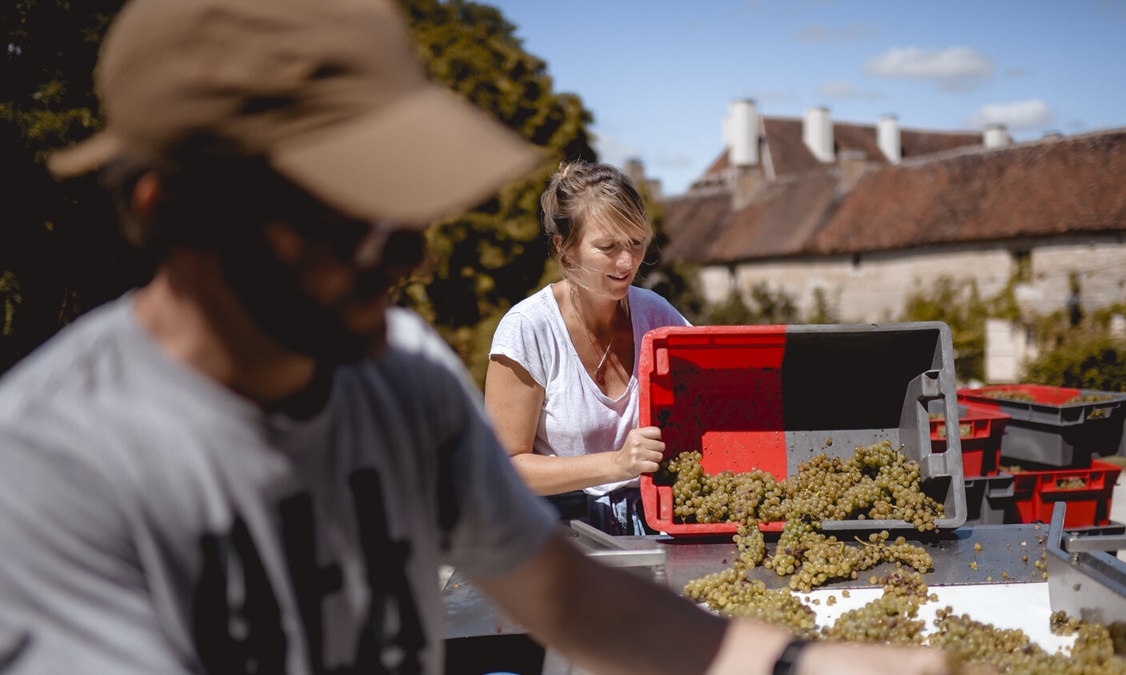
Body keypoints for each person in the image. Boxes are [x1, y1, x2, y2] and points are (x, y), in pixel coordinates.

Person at [0, 0, 954, 673]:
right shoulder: (52, 468)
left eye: (406, 208)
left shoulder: (400, 380)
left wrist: (803, 663)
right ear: (177, 213)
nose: (409, 254)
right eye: (350, 213)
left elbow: (572, 599)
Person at [485, 160, 688, 535]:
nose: (627, 262)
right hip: (561, 533)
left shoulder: (659, 316)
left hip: (659, 522)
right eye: (608, 246)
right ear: (565, 248)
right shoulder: (528, 329)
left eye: (636, 243)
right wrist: (618, 464)